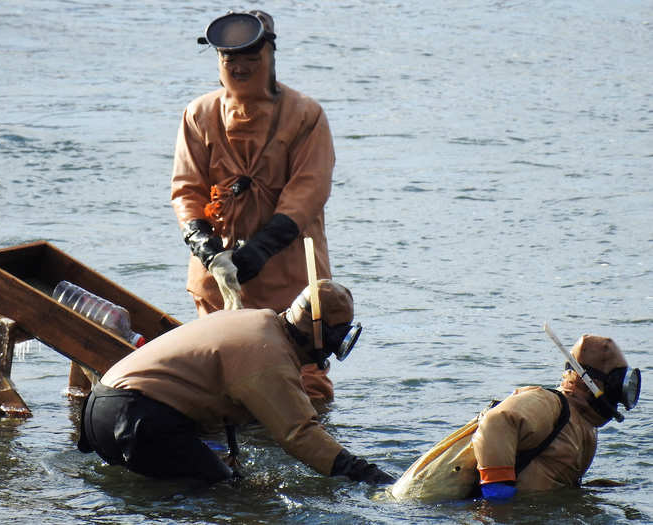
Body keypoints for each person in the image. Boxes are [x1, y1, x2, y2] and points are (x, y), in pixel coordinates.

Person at [77, 280, 395, 487]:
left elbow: (209, 401)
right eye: (337, 340)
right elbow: (299, 433)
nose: (333, 352)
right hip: (135, 417)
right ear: (319, 334)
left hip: (100, 409)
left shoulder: (254, 322)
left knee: (224, 481)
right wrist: (366, 475)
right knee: (231, 497)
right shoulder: (270, 355)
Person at [170, 10, 336, 402]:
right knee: (221, 384)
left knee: (306, 387)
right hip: (219, 280)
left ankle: (316, 457)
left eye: (251, 58)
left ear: (270, 56)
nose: (240, 67)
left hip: (291, 280)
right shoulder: (199, 114)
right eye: (230, 59)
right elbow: (186, 189)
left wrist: (260, 249)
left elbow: (309, 191)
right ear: (218, 61)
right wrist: (206, 249)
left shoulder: (305, 115)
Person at [390, 333, 641, 502]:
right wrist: (497, 500)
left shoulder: (582, 424)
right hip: (433, 510)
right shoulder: (549, 403)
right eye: (618, 382)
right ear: (591, 382)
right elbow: (497, 420)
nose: (620, 394)